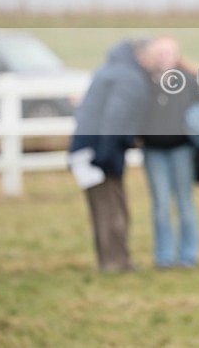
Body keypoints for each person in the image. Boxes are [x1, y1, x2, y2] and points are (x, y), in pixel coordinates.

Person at [68, 37, 159, 272]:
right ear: (141, 55)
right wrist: (106, 156)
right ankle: (116, 263)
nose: (155, 60)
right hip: (99, 152)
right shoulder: (128, 77)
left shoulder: (113, 70)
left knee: (102, 209)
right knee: (112, 209)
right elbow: (116, 117)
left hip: (90, 149)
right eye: (152, 55)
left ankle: (110, 260)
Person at [140, 36, 199, 269]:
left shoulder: (188, 81)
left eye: (168, 53)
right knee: (161, 205)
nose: (163, 57)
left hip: (182, 151)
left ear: (176, 55)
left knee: (185, 203)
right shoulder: (143, 81)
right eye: (159, 53)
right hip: (153, 152)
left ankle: (188, 256)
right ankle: (164, 257)